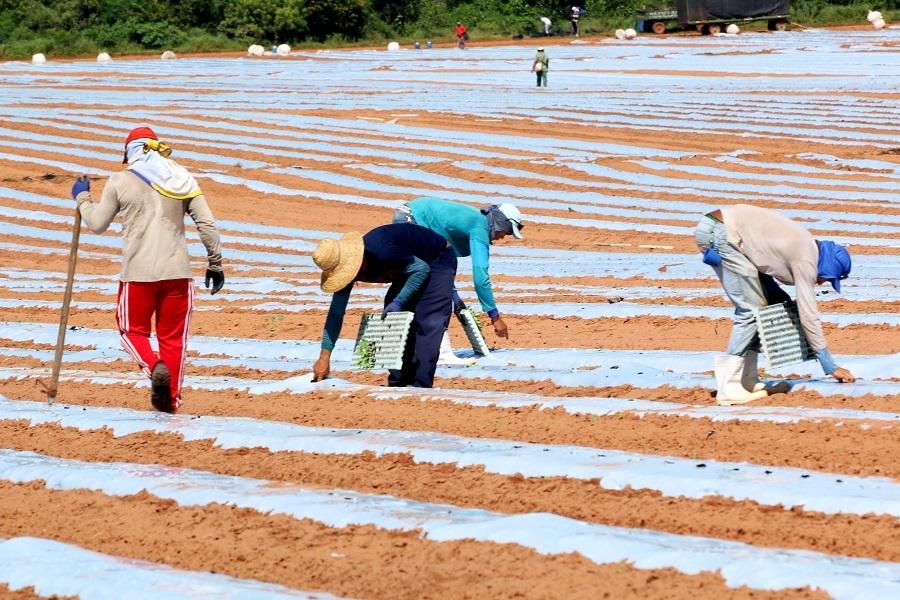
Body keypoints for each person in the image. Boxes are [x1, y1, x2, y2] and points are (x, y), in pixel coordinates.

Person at [71, 126, 224, 413]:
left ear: (129, 153)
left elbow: (97, 224)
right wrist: (215, 264)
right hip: (178, 274)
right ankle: (172, 404)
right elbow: (207, 226)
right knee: (174, 340)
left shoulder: (119, 181)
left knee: (131, 330)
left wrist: (82, 199)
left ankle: (154, 368)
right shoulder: (182, 178)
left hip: (138, 275)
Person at [694, 204, 855, 406]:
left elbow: (764, 274)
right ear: (828, 265)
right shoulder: (807, 259)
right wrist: (829, 366)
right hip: (721, 232)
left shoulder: (806, 246)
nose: (822, 283)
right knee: (750, 310)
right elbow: (808, 315)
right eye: (827, 278)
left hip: (721, 229)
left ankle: (747, 380)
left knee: (761, 306)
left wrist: (779, 302)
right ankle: (728, 387)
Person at [311, 223, 457, 388]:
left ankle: (420, 386)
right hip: (408, 266)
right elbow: (336, 314)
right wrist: (324, 357)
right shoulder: (347, 271)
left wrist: (400, 301)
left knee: (428, 320)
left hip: (436, 258)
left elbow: (421, 269)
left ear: (358, 259)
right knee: (394, 319)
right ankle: (398, 382)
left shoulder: (381, 251)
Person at [393, 198, 524, 362]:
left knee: (424, 288)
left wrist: (455, 296)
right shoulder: (480, 227)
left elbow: (443, 268)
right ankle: (441, 353)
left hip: (408, 216)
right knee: (435, 296)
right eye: (507, 231)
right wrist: (495, 316)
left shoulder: (472, 221)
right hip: (412, 219)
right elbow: (480, 277)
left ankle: (415, 350)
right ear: (499, 223)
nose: (503, 237)